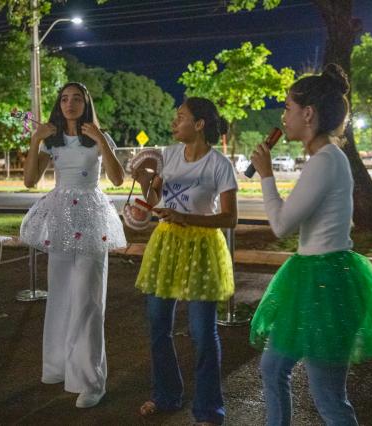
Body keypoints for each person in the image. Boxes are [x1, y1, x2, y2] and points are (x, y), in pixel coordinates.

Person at [248, 64, 372, 426]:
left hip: (326, 284)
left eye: (288, 108)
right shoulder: (326, 159)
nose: (283, 116)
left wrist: (267, 175)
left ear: (308, 114)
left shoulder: (325, 161)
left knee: (329, 398)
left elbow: (281, 225)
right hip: (314, 276)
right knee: (274, 367)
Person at [20, 82, 127, 408]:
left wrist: (102, 141)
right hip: (61, 221)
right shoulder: (50, 140)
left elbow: (118, 179)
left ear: (86, 103)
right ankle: (58, 367)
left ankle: (92, 381)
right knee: (61, 296)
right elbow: (29, 180)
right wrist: (35, 139)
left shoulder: (98, 137)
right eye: (64, 98)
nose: (69, 103)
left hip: (92, 221)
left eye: (76, 98)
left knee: (88, 300)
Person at [134, 97, 238, 426]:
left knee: (202, 333)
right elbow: (154, 198)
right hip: (166, 244)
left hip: (203, 248)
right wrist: (145, 183)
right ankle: (166, 395)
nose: (174, 122)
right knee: (157, 325)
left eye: (181, 117)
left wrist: (186, 217)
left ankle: (209, 410)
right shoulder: (168, 155)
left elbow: (230, 218)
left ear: (200, 124)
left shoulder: (219, 165)